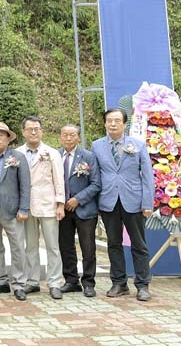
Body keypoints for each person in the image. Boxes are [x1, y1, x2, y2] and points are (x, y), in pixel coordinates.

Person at [91, 108, 154, 301]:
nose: (113, 124)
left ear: (125, 124)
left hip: (133, 201)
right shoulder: (97, 146)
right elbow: (95, 175)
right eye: (109, 121)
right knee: (113, 244)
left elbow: (147, 176)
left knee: (138, 244)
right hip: (108, 201)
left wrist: (147, 203)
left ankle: (143, 285)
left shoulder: (138, 145)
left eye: (117, 121)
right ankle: (119, 283)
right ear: (104, 123)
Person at [16, 116, 65, 299]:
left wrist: (60, 204)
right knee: (30, 246)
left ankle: (54, 282)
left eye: (37, 129)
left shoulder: (51, 153)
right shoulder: (17, 153)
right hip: (26, 206)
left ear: (42, 131)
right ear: (23, 132)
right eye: (30, 129)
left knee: (52, 246)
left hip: (48, 205)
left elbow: (59, 180)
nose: (34, 132)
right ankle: (32, 281)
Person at [0, 121, 30, 301]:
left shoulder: (17, 157)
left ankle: (19, 284)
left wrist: (24, 208)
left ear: (8, 138)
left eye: (1, 135)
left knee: (17, 246)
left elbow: (25, 184)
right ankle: (1, 281)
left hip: (12, 210)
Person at [58, 124, 101, 297]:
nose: (68, 138)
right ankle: (71, 280)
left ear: (78, 137)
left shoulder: (89, 156)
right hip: (62, 209)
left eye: (72, 135)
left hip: (85, 209)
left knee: (88, 248)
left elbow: (96, 183)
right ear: (60, 137)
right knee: (66, 246)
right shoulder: (55, 155)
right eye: (65, 135)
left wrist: (78, 199)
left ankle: (89, 282)